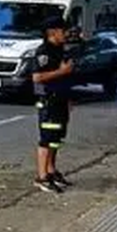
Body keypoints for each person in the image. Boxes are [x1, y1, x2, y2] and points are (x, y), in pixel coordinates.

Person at [32, 17, 75, 194]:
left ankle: (51, 170)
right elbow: (37, 77)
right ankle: (42, 176)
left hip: (61, 99)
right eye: (63, 31)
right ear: (52, 32)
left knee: (56, 139)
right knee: (47, 138)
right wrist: (61, 71)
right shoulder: (44, 51)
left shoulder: (60, 49)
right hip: (49, 100)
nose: (66, 34)